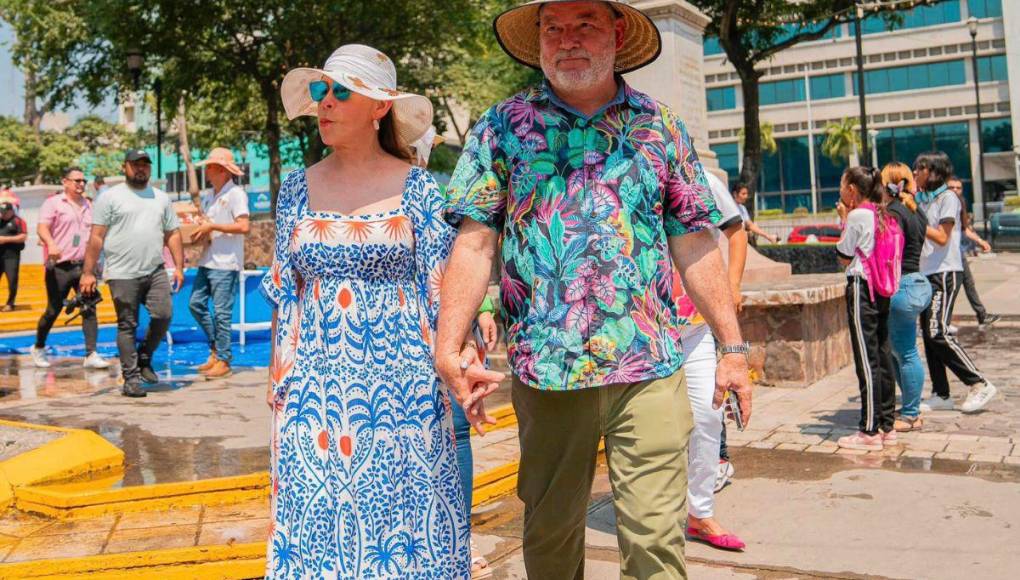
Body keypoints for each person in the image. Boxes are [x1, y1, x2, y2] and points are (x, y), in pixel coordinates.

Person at [436, 2, 752, 578]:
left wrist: (732, 349)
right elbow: (474, 243)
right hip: (547, 375)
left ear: (617, 31)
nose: (567, 40)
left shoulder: (660, 126)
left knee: (656, 543)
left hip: (650, 368)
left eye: (584, 23)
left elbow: (696, 244)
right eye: (552, 28)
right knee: (551, 540)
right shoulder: (503, 126)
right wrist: (447, 344)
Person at [264, 44, 489, 578]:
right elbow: (283, 292)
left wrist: (465, 365)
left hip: (402, 392)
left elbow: (444, 291)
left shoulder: (419, 190)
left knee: (399, 530)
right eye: (321, 90)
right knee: (317, 526)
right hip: (313, 391)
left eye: (341, 91)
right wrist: (276, 386)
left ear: (379, 107)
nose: (325, 103)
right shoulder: (296, 188)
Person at [677, 171, 748, 551]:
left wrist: (731, 287)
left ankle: (699, 513)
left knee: (708, 415)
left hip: (693, 327)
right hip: (641, 333)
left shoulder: (700, 177)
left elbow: (736, 232)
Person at [80, 149, 184, 398]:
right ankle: (131, 378)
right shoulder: (109, 197)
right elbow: (96, 236)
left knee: (164, 314)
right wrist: (88, 272)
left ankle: (145, 356)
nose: (141, 169)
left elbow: (173, 234)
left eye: (146, 165)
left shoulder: (161, 198)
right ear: (124, 167)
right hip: (121, 273)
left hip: (155, 269)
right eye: (136, 165)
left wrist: (179, 266)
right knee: (127, 324)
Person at [914, 153, 996, 414]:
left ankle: (979, 383)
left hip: (945, 273)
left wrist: (916, 215)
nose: (916, 173)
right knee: (928, 335)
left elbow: (941, 237)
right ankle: (941, 393)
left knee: (938, 331)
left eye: (920, 168)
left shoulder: (948, 198)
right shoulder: (925, 199)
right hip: (928, 272)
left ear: (933, 171)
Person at [834, 166, 900, 451]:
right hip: (881, 290)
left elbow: (843, 257)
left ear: (851, 190)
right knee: (882, 356)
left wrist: (843, 219)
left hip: (862, 288)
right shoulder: (881, 212)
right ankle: (886, 425)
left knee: (866, 360)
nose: (840, 189)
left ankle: (869, 431)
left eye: (842, 184)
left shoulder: (858, 215)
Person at [31, 167, 110, 369]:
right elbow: (42, 228)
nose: (81, 184)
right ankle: (39, 346)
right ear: (65, 182)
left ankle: (91, 353)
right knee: (53, 309)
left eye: (83, 181)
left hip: (84, 266)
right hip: (59, 266)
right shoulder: (54, 203)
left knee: (89, 307)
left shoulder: (89, 205)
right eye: (76, 181)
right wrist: (51, 244)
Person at [188, 148, 250, 380]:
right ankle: (216, 349)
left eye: (211, 166)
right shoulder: (210, 195)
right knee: (195, 304)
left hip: (226, 262)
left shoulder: (235, 194)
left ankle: (223, 359)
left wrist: (212, 227)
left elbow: (243, 226)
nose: (207, 170)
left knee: (222, 313)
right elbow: (209, 225)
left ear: (222, 170)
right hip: (208, 259)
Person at [881, 162, 930, 432]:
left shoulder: (893, 213)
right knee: (900, 351)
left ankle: (911, 414)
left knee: (906, 352)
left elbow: (888, 254)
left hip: (902, 287)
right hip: (918, 282)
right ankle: (911, 407)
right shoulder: (916, 211)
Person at [946, 177, 999, 330]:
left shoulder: (960, 204)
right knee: (952, 288)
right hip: (947, 255)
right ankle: (944, 321)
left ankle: (982, 315)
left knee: (968, 284)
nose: (955, 190)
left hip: (958, 252)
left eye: (958, 188)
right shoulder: (942, 203)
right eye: (952, 188)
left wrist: (980, 241)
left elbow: (965, 229)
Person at [0, 192, 26, 312]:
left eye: (5, 212)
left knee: (12, 280)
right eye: (1, 212)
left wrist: (5, 239)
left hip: (12, 256)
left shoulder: (18, 221)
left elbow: (23, 236)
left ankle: (10, 303)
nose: (3, 214)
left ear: (11, 211)